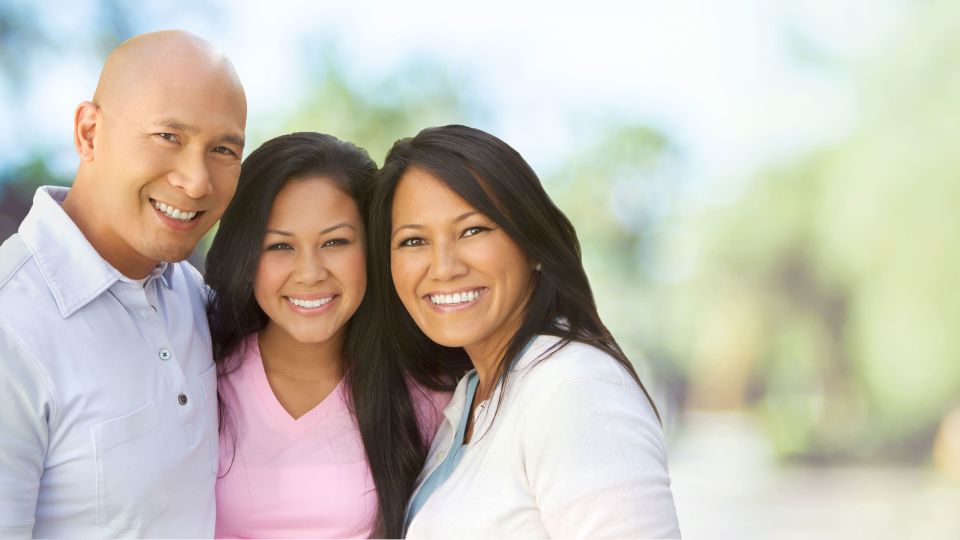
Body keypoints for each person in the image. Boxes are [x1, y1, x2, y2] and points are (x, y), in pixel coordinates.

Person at [367, 125, 681, 538]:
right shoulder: (471, 396)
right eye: (413, 241)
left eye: (473, 230)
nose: (443, 267)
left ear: (533, 245)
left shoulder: (574, 389)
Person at [0, 30, 246, 537]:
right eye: (168, 136)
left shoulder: (193, 298)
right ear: (90, 133)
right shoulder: (13, 326)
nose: (197, 181)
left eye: (223, 148)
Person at [205, 132, 449, 539]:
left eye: (335, 242)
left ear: (372, 247)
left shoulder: (428, 394)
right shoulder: (197, 369)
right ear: (246, 255)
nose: (310, 273)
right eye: (280, 247)